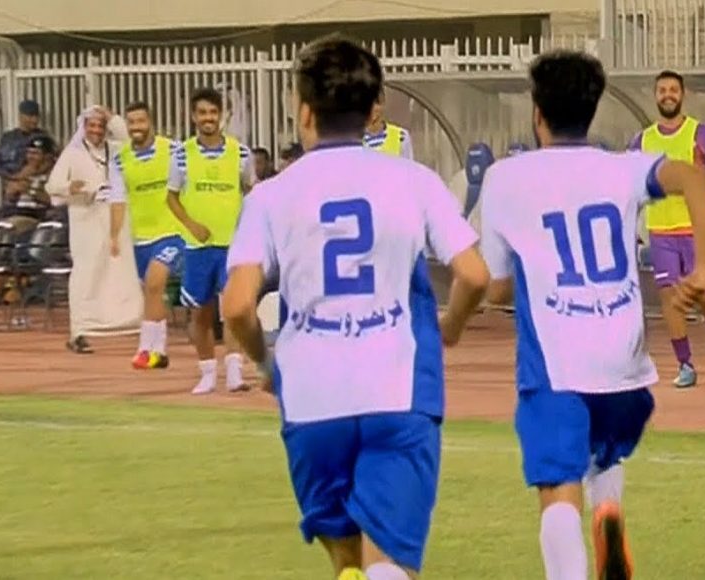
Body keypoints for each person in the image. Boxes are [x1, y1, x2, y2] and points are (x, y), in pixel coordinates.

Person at [220, 35, 489, 580]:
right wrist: (451, 327)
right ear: (373, 113)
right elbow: (475, 275)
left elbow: (238, 307)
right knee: (388, 562)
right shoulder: (414, 181)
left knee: (346, 559)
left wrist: (267, 364)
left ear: (303, 111)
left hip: (311, 398)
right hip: (399, 392)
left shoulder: (268, 196)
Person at [478, 51, 705, 580]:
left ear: (537, 112)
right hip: (624, 366)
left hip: (557, 365)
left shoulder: (504, 177)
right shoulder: (623, 167)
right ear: (592, 110)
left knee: (556, 488)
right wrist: (702, 267)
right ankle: (607, 508)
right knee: (602, 454)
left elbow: (494, 287)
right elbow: (695, 180)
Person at [627, 70, 705, 388]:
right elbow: (631, 183)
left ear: (682, 94)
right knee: (669, 297)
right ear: (655, 95)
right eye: (662, 90)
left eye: (673, 90)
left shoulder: (701, 133)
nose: (667, 95)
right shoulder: (642, 141)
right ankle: (685, 364)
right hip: (661, 229)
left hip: (696, 229)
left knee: (703, 294)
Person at [167, 87, 258, 395]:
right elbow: (172, 198)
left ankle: (234, 372)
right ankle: (207, 372)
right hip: (198, 248)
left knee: (233, 309)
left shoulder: (241, 153)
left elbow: (251, 192)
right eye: (202, 113)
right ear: (193, 117)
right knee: (200, 312)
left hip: (233, 244)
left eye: (213, 112)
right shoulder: (181, 154)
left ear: (222, 115)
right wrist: (192, 225)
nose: (208, 118)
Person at [46, 105, 141, 352]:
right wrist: (72, 188)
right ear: (84, 127)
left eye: (101, 125)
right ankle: (79, 330)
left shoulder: (115, 149)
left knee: (121, 272)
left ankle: (129, 323)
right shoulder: (72, 153)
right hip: (86, 221)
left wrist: (112, 118)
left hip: (116, 219)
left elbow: (130, 141)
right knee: (86, 274)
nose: (97, 130)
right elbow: (52, 185)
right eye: (92, 125)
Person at [108, 101, 187, 369]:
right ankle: (158, 352)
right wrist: (114, 235)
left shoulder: (173, 150)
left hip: (173, 232)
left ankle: (145, 348)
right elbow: (118, 199)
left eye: (141, 121)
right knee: (152, 292)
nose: (136, 127)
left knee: (155, 281)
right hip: (141, 237)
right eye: (131, 122)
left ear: (150, 122)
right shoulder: (120, 159)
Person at [363, 90, 412, 160]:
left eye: (377, 102)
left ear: (383, 104)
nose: (373, 108)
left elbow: (408, 165)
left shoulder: (401, 137)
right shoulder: (353, 139)